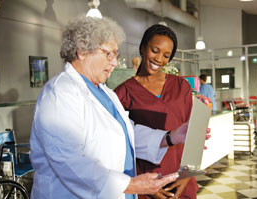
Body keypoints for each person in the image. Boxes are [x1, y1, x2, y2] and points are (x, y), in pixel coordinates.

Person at [30, 16, 192, 199]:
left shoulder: (105, 93)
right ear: (82, 51)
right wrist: (129, 184)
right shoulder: (60, 93)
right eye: (109, 54)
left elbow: (127, 134)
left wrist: (169, 137)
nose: (114, 62)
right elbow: (68, 160)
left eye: (116, 55)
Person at [115, 24, 202, 199]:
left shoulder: (181, 86)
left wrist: (187, 175)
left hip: (181, 179)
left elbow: (195, 131)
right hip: (147, 183)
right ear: (142, 48)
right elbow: (122, 146)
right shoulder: (122, 93)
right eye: (155, 50)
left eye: (166, 56)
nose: (159, 59)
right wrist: (147, 187)